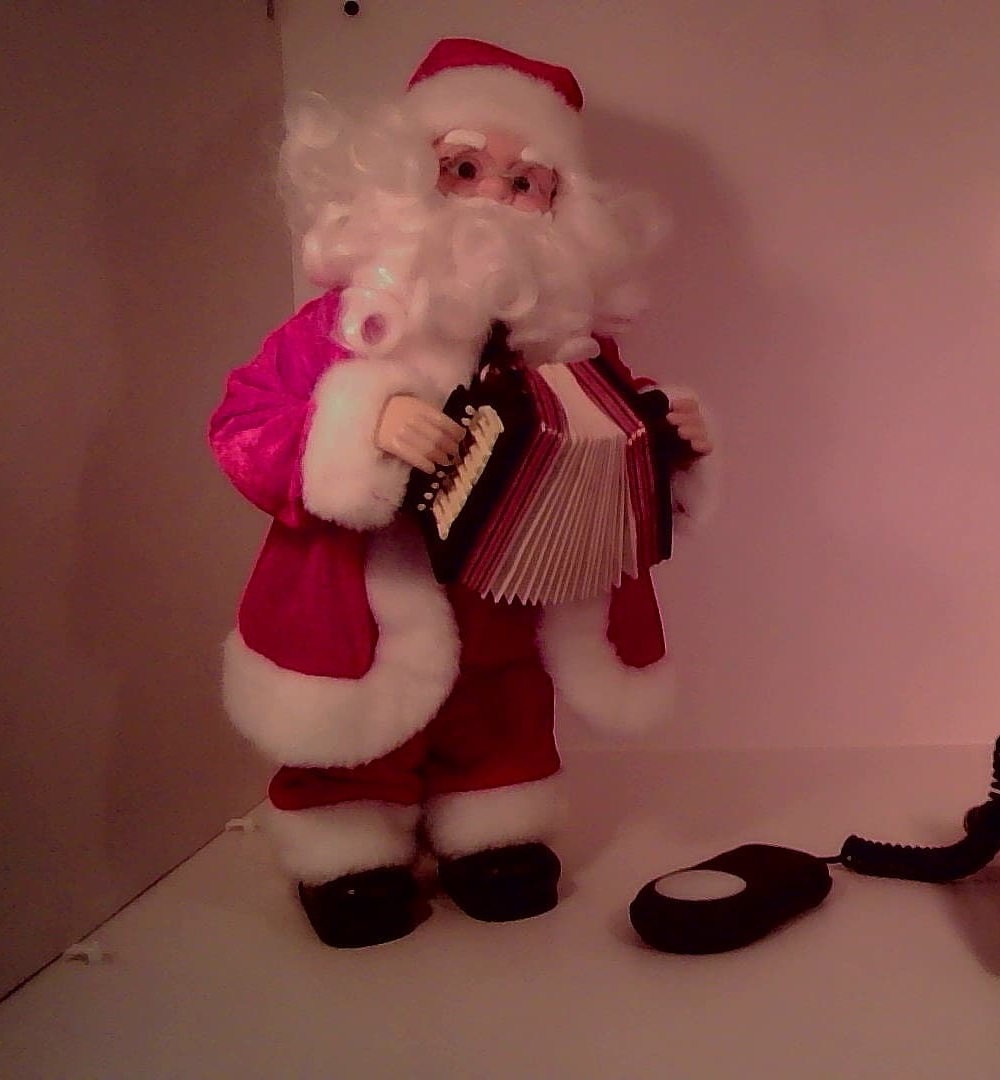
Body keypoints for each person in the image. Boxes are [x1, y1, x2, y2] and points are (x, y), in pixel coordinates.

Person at [208, 37, 719, 948]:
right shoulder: (336, 330)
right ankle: (349, 844)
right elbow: (243, 429)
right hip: (361, 596)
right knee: (357, 722)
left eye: (527, 183)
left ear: (561, 209)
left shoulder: (572, 351)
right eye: (466, 168)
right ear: (406, 177)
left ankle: (492, 829)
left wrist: (671, 446)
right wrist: (362, 425)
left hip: (509, 599)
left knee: (504, 710)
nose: (493, 199)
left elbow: (614, 445)